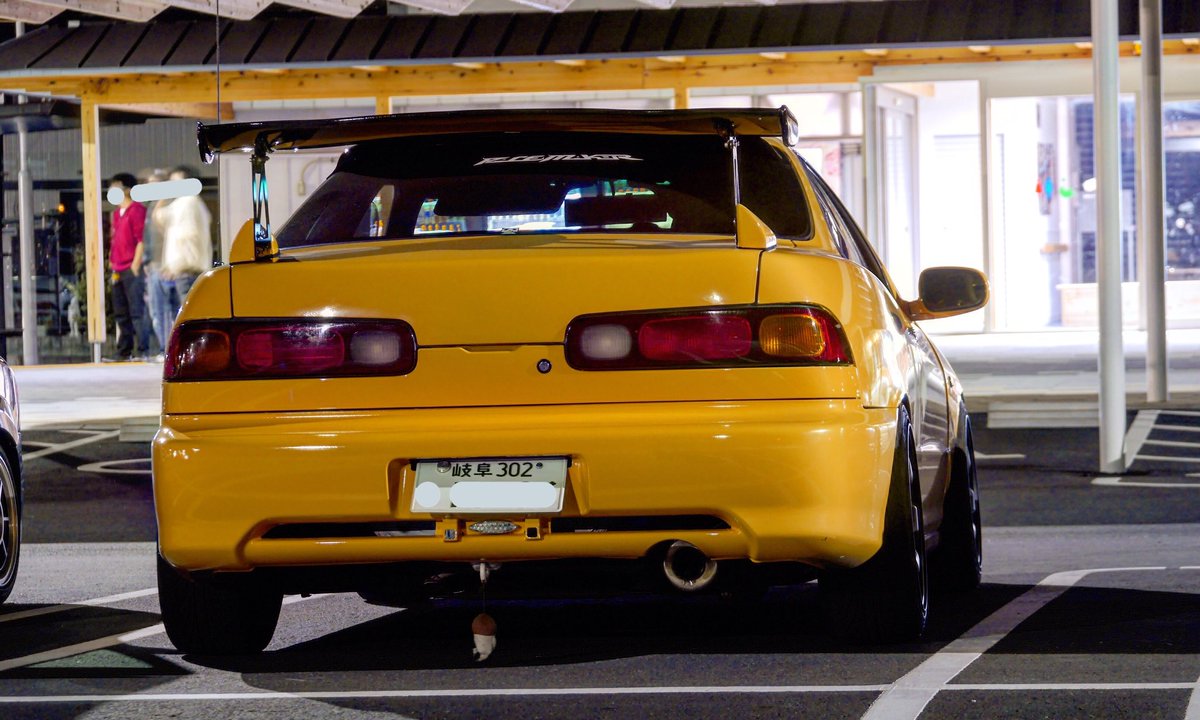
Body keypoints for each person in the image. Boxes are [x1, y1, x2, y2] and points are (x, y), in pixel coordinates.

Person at [154, 166, 213, 326]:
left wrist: (175, 266)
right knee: (191, 317)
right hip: (191, 271)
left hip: (186, 271)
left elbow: (186, 237)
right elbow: (160, 219)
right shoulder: (193, 203)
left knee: (187, 320)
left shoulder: (187, 202)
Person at [107, 172, 149, 361]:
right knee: (121, 311)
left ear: (126, 189)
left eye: (116, 186)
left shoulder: (137, 210)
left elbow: (141, 239)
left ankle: (143, 349)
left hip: (131, 267)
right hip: (117, 267)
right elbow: (115, 238)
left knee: (136, 310)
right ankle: (124, 350)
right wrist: (112, 260)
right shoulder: (116, 214)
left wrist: (135, 264)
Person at [138, 168, 169, 357]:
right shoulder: (151, 208)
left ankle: (167, 349)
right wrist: (146, 261)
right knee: (156, 311)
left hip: (165, 264)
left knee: (165, 310)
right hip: (153, 265)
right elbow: (147, 237)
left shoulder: (168, 208)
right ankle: (163, 348)